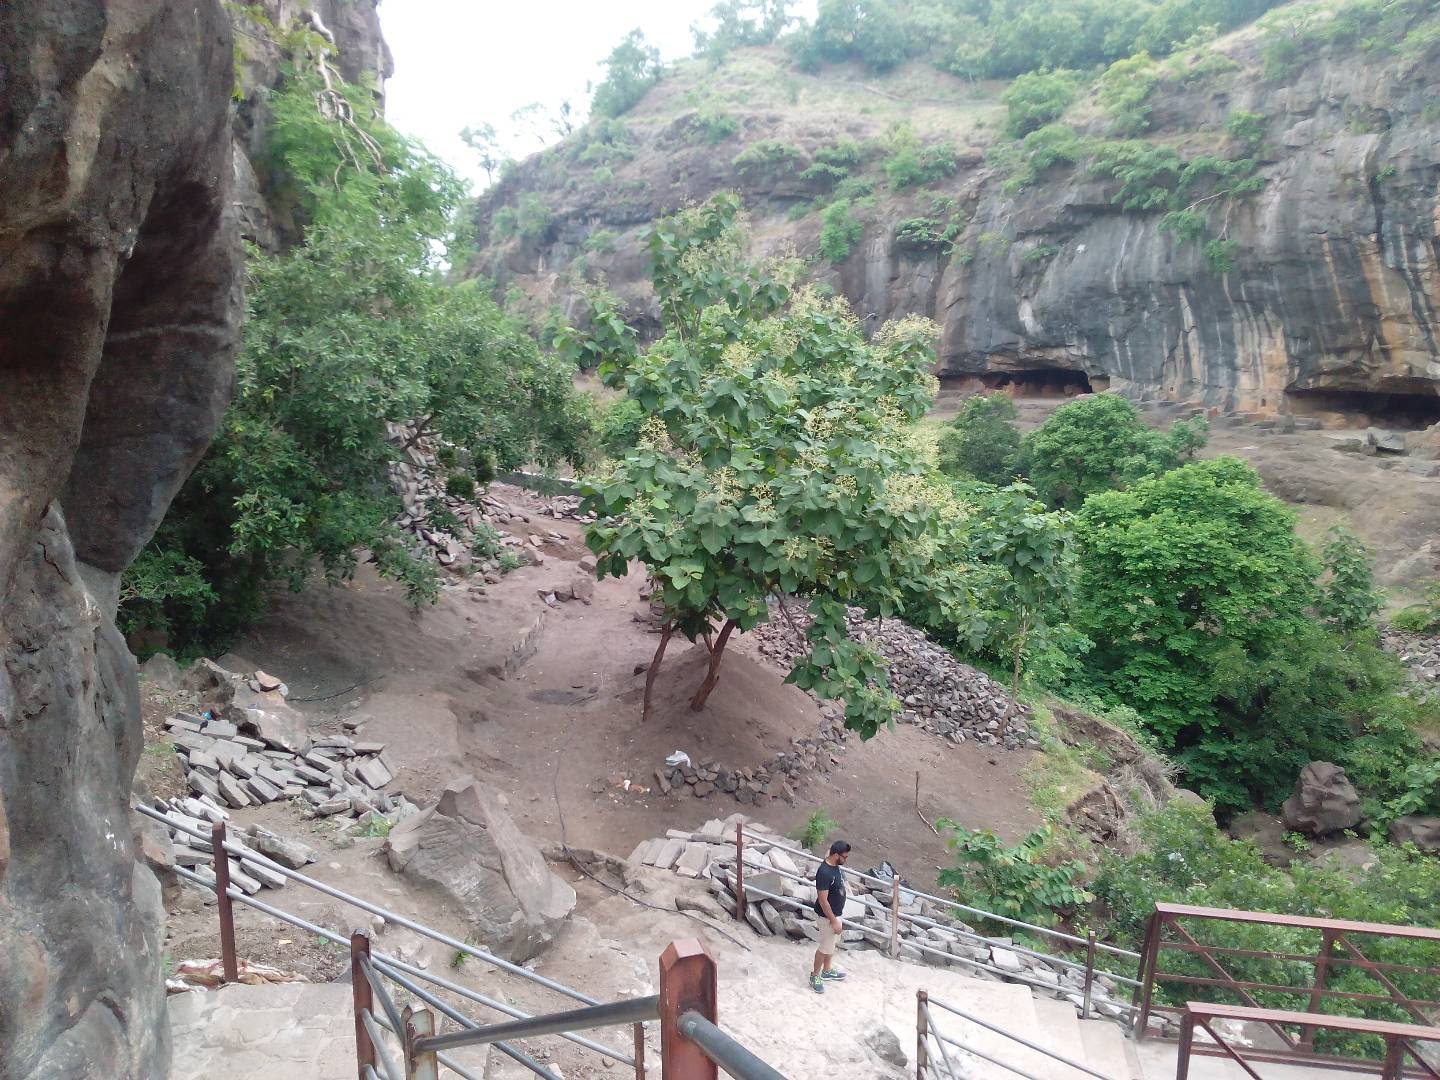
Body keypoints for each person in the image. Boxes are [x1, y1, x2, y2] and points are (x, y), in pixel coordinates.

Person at [809, 839, 851, 993]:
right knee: (824, 947)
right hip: (828, 917)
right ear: (835, 855)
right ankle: (815, 975)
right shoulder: (824, 873)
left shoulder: (835, 867)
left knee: (831, 944)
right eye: (844, 857)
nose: (845, 860)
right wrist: (833, 920)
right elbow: (823, 900)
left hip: (835, 914)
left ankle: (827, 970)